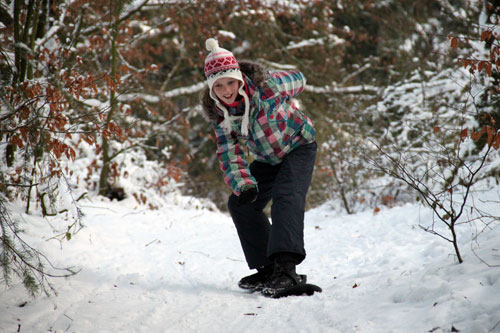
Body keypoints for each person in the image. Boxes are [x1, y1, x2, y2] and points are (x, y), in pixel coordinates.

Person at [200, 38, 317, 296]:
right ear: (211, 89)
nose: (227, 90)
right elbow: (231, 155)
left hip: (299, 146)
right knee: (240, 202)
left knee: (286, 197)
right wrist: (244, 184)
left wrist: (276, 82)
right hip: (268, 159)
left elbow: (299, 79)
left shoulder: (268, 88)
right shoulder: (222, 117)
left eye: (231, 82)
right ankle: (268, 267)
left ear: (240, 78)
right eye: (219, 86)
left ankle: (287, 269)